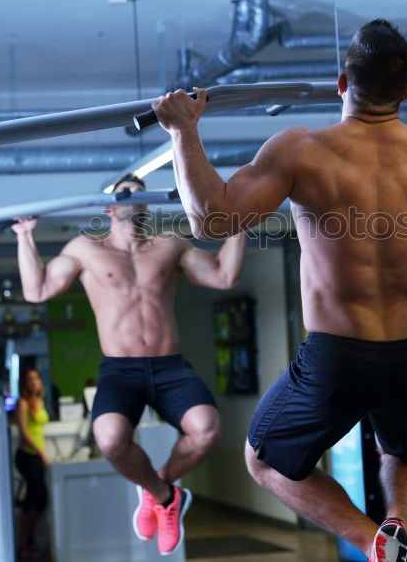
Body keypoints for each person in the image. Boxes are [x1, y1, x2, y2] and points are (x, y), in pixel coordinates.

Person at [152, 18, 407, 562]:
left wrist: (182, 131)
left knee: (264, 460)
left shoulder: (301, 150)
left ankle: (374, 544)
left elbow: (211, 221)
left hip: (338, 357)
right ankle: (398, 530)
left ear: (341, 83)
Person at [13, 175, 246, 555]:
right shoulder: (85, 250)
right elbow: (36, 291)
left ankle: (161, 488)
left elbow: (224, 275)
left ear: (148, 205)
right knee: (109, 439)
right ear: (109, 208)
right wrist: (25, 237)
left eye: (140, 197)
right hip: (121, 371)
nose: (132, 203)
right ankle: (164, 495)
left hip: (170, 367)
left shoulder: (170, 246)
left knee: (206, 429)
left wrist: (239, 225)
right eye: (124, 197)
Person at [14, 367, 50, 558]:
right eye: (29, 379)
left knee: (36, 499)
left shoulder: (40, 401)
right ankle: (24, 543)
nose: (32, 382)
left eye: (35, 378)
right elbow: (24, 433)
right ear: (24, 383)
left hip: (37, 455)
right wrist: (41, 453)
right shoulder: (22, 403)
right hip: (27, 455)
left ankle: (28, 542)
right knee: (35, 498)